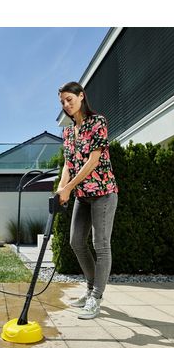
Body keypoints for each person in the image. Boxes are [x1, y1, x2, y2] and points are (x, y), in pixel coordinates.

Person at [55, 81, 118, 319]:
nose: (66, 104)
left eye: (69, 99)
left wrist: (69, 188)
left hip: (103, 192)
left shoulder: (97, 122)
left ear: (81, 96)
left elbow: (93, 160)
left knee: (101, 245)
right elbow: (68, 164)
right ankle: (90, 289)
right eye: (62, 102)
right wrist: (61, 188)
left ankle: (96, 297)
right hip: (83, 196)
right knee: (76, 242)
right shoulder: (68, 132)